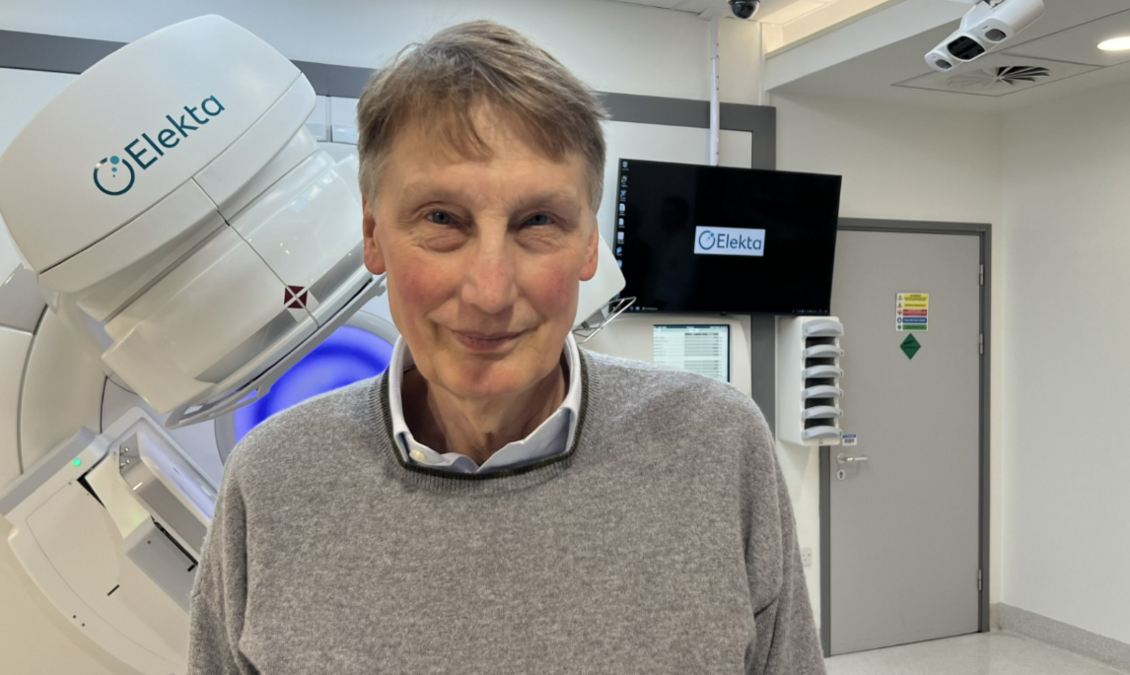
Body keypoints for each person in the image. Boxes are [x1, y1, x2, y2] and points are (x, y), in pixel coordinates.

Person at [188, 20, 825, 675]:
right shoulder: (270, 480)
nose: (490, 291)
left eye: (539, 221)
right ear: (373, 233)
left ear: (587, 244)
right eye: (442, 219)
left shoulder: (715, 447)